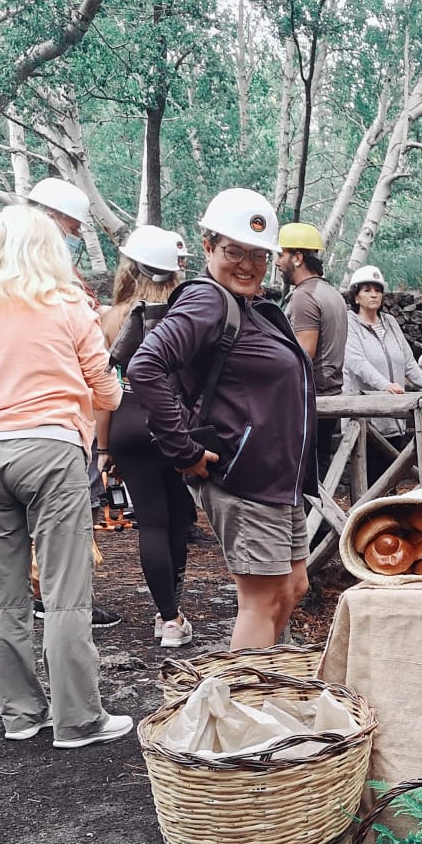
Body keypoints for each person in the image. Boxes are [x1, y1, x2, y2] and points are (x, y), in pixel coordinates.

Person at [0, 206, 130, 745]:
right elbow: (106, 391)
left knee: (1, 595)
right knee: (64, 594)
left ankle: (20, 715)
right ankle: (78, 720)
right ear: (51, 250)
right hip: (53, 450)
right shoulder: (69, 306)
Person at [127, 188, 317, 651]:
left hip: (277, 481)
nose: (247, 263)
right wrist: (183, 451)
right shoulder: (207, 301)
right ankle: (242, 709)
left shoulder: (247, 308)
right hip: (246, 479)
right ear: (209, 247)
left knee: (293, 589)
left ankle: (256, 691)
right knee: (261, 601)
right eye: (234, 251)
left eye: (259, 254)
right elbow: (144, 366)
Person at [96, 225, 196, 648]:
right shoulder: (188, 313)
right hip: (172, 421)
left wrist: (104, 446)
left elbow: (101, 388)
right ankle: (169, 617)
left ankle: (170, 617)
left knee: (153, 520)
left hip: (127, 420)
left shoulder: (112, 317)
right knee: (177, 515)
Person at [341, 264, 422, 483]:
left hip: (394, 420)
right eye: (367, 290)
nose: (374, 294)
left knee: (391, 483)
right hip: (365, 422)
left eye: (377, 290)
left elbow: (408, 363)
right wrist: (384, 385)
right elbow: (356, 362)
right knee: (369, 484)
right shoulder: (349, 323)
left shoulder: (390, 322)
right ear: (356, 296)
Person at [276, 222, 348, 475]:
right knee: (320, 469)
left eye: (281, 254)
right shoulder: (332, 293)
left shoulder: (303, 296)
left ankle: (312, 516)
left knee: (307, 473)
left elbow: (304, 354)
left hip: (311, 401)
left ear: (297, 257)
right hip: (330, 396)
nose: (276, 262)